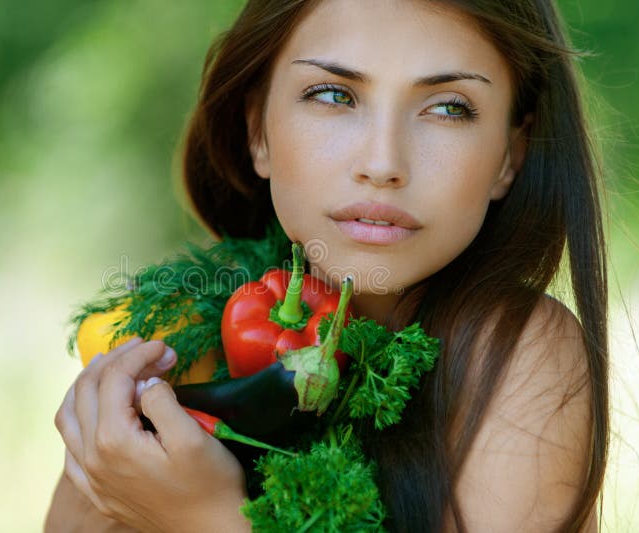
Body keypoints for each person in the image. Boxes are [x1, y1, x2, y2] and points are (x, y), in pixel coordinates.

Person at [45, 0, 608, 531]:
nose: (383, 162)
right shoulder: (186, 335)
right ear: (257, 131)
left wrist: (209, 518)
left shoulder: (519, 352)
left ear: (511, 155)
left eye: (447, 108)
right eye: (334, 95)